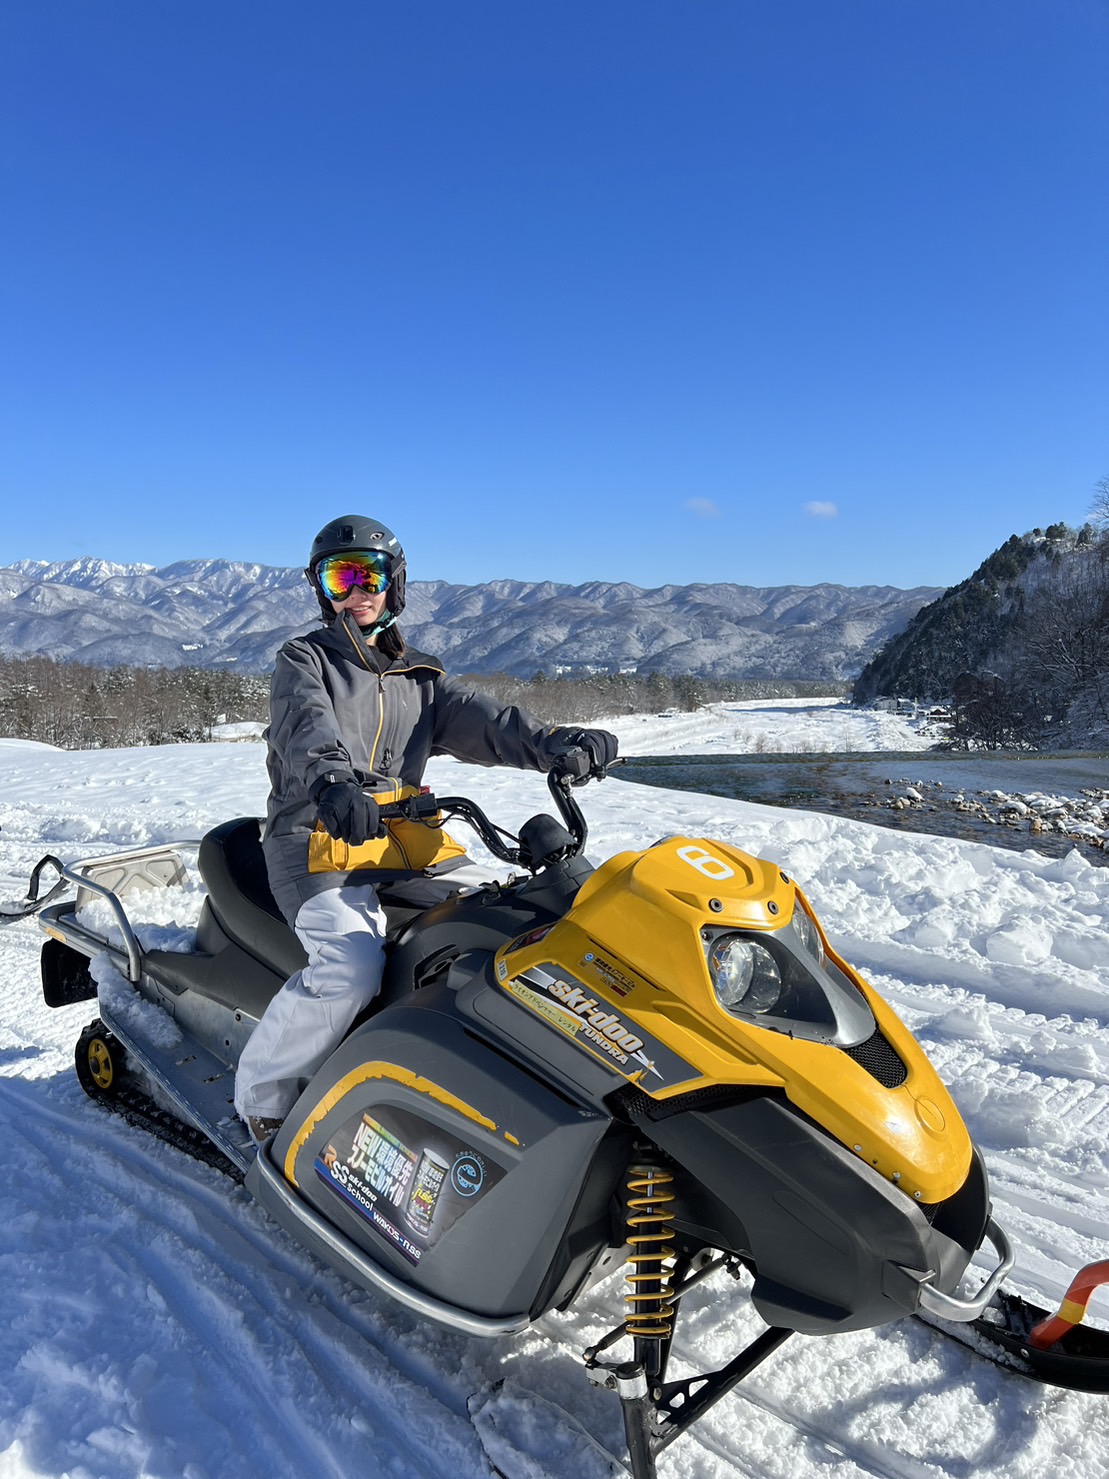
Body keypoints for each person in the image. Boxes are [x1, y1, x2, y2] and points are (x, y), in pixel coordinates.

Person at [234, 513, 618, 1143]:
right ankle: (263, 1094)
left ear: (395, 582)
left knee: (510, 924)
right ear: (321, 589)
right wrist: (333, 784)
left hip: (403, 842)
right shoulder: (305, 660)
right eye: (339, 577)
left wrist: (557, 743)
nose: (357, 591)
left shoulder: (423, 679)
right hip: (315, 839)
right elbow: (306, 729)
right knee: (351, 966)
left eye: (369, 575)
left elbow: (492, 724)